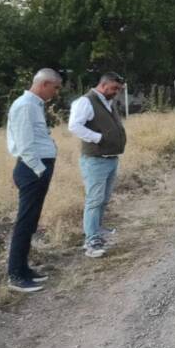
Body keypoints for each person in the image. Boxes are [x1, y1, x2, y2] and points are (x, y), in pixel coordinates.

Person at [5, 68, 62, 293]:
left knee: (31, 222)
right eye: (55, 88)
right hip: (31, 169)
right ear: (44, 84)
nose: (56, 93)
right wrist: (39, 170)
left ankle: (24, 269)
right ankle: (15, 275)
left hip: (36, 168)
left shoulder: (34, 105)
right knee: (25, 222)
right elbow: (25, 144)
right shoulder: (25, 105)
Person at [68, 72, 127, 259]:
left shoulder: (107, 102)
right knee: (94, 201)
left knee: (103, 199)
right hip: (95, 160)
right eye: (114, 88)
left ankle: (97, 230)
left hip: (110, 158)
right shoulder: (86, 102)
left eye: (119, 89)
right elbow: (74, 125)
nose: (116, 92)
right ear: (104, 85)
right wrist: (98, 138)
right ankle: (91, 241)